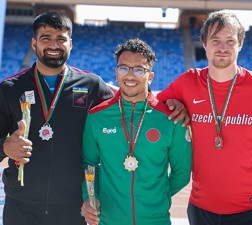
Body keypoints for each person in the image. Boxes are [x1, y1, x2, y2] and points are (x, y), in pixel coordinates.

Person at [157, 10, 252, 225]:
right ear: (204, 44)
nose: (223, 47)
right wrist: (173, 104)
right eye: (215, 40)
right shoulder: (188, 82)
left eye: (230, 41)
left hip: (251, 207)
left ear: (240, 44)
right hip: (201, 207)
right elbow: (154, 105)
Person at [0, 11, 114, 225]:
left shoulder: (92, 86)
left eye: (61, 39)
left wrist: (169, 101)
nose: (53, 45)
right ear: (34, 43)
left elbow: (123, 118)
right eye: (45, 38)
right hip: (21, 207)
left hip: (74, 207)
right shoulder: (9, 89)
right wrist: (4, 146)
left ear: (71, 44)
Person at [80, 38, 192, 225]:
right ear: (116, 73)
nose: (130, 76)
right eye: (123, 68)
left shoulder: (172, 119)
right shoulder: (97, 117)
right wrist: (90, 196)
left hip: (156, 220)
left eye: (139, 70)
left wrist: (156, 197)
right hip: (108, 220)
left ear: (150, 77)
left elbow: (182, 173)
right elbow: (89, 163)